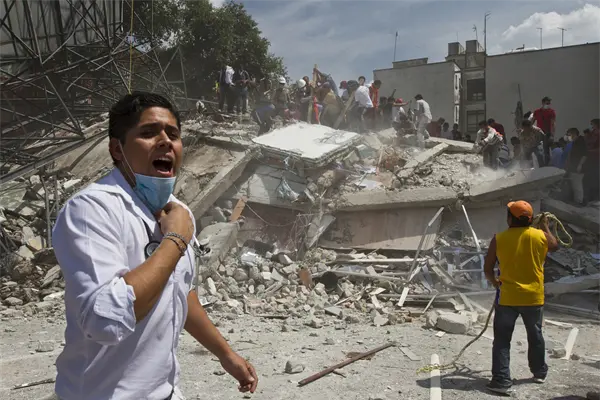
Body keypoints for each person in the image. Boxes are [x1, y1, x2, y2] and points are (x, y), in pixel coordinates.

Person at [51, 92, 258, 400]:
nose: (165, 142)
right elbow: (105, 321)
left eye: (173, 134)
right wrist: (175, 241)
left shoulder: (178, 212)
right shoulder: (90, 210)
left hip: (165, 392)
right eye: (148, 133)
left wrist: (225, 354)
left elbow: (179, 291)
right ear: (116, 149)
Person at [484, 201, 558, 395]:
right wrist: (545, 227)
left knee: (502, 339)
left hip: (507, 298)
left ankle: (501, 380)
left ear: (510, 218)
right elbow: (554, 245)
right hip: (533, 297)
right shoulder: (541, 236)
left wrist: (495, 283)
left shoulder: (499, 238)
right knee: (535, 336)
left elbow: (488, 268)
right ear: (530, 219)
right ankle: (539, 372)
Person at [564, 128, 587, 205]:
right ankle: (577, 200)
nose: (568, 137)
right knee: (575, 185)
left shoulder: (580, 142)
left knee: (577, 185)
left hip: (578, 167)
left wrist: (580, 165)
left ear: (574, 134)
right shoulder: (575, 142)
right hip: (574, 167)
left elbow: (584, 155)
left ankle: (579, 201)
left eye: (569, 135)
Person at [532, 96, 556, 165]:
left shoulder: (551, 112)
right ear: (542, 103)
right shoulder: (537, 112)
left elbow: (553, 124)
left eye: (549, 103)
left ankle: (546, 165)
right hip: (538, 133)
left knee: (546, 150)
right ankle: (540, 164)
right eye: (546, 103)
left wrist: (552, 135)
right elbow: (531, 122)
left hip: (547, 133)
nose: (548, 105)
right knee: (536, 148)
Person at [583, 119, 600, 206]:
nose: (591, 126)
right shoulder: (591, 134)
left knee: (595, 179)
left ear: (597, 125)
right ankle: (587, 198)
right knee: (587, 179)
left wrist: (590, 151)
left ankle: (596, 199)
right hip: (589, 159)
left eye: (592, 124)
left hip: (596, 160)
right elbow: (586, 143)